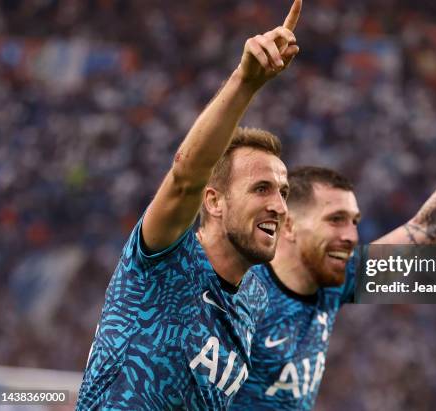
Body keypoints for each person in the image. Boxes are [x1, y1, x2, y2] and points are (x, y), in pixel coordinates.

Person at [77, 1, 302, 409]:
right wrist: (245, 82)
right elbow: (185, 179)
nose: (279, 205)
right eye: (261, 189)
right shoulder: (165, 257)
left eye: (283, 193)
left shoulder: (252, 298)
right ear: (213, 201)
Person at [231, 97, 436, 410]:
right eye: (335, 220)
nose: (351, 236)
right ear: (289, 226)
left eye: (354, 222)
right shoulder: (238, 290)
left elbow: (428, 231)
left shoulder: (335, 278)